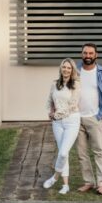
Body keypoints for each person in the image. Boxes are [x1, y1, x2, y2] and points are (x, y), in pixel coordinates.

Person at [75, 43, 102, 195]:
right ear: (81, 54)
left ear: (96, 55)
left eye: (91, 53)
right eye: (85, 53)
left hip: (94, 118)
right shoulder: (75, 71)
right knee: (82, 153)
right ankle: (89, 182)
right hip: (77, 119)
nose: (88, 56)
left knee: (99, 151)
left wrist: (101, 115)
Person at [43, 58, 81, 195]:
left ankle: (54, 178)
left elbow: (72, 105)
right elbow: (50, 100)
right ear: (61, 69)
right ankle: (65, 185)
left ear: (72, 70)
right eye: (64, 67)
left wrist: (57, 114)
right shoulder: (55, 84)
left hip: (71, 121)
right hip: (57, 123)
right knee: (61, 153)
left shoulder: (76, 84)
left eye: (69, 68)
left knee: (64, 153)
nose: (66, 70)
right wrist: (51, 111)